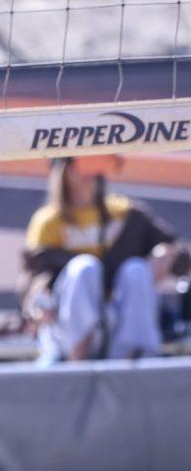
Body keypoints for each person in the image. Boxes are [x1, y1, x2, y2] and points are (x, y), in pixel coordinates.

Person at [22, 155, 189, 363]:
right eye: (80, 165)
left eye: (94, 164)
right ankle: (79, 362)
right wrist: (38, 301)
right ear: (63, 171)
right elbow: (34, 274)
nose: (88, 174)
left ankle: (135, 359)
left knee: (136, 270)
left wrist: (168, 254)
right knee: (84, 268)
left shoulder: (125, 214)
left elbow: (181, 252)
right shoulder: (49, 221)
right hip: (67, 325)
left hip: (118, 321)